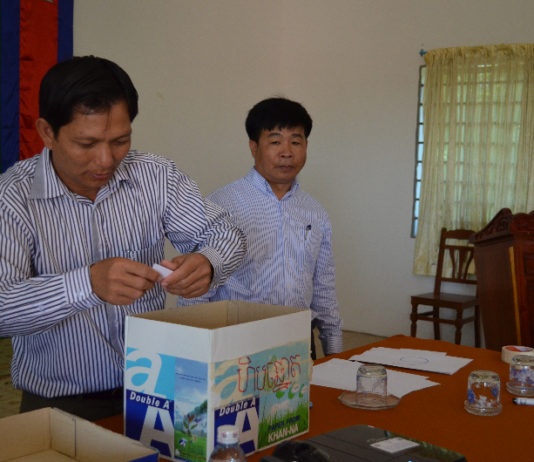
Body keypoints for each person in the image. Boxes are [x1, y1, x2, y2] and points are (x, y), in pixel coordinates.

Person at [0, 56, 246, 420]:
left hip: (155, 391)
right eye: (86, 143)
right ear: (47, 132)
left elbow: (226, 233)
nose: (105, 160)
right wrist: (88, 283)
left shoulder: (155, 176)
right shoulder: (12, 197)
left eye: (120, 141)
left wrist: (209, 262)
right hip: (60, 404)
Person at [180, 97, 343, 358]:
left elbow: (324, 287)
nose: (287, 152)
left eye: (296, 141)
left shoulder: (316, 212)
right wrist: (193, 354)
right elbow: (195, 291)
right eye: (275, 141)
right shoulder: (221, 205)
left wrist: (336, 354)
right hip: (237, 342)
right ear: (253, 146)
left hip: (299, 343)